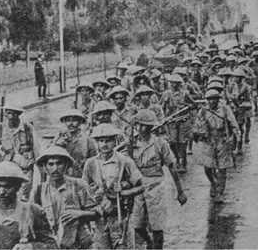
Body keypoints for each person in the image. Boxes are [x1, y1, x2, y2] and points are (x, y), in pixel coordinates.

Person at [130, 110, 187, 249]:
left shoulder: (160, 143)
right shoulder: (131, 144)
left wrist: (180, 191)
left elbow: (171, 167)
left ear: (151, 127)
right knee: (136, 224)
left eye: (145, 125)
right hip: (138, 186)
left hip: (156, 185)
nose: (142, 129)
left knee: (157, 224)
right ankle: (148, 241)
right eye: (139, 125)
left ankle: (157, 247)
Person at [0, 161, 58, 249]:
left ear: (18, 187)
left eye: (7, 186)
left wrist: (32, 247)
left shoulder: (34, 211)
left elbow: (53, 246)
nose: (2, 192)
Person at [82, 124, 144, 249]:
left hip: (120, 216)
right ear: (97, 143)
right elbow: (84, 189)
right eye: (101, 141)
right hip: (99, 218)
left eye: (108, 140)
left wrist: (124, 192)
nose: (104, 144)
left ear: (114, 141)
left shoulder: (124, 161)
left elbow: (141, 187)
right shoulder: (90, 163)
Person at [33, 146, 100, 249]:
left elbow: (97, 213)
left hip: (78, 244)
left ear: (66, 165)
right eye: (50, 164)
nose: (55, 169)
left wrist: (79, 214)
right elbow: (32, 219)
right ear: (45, 167)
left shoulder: (78, 185)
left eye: (59, 163)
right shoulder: (39, 190)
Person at [193, 90, 240, 203]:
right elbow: (197, 126)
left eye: (215, 98)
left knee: (222, 168)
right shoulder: (203, 111)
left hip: (222, 140)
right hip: (208, 140)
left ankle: (220, 193)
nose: (212, 101)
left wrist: (235, 140)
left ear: (218, 99)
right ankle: (213, 183)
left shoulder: (225, 109)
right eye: (210, 99)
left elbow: (234, 125)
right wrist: (197, 134)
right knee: (208, 166)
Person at [0, 104, 40, 201]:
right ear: (5, 114)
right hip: (6, 170)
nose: (11, 116)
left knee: (23, 197)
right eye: (8, 113)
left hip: (25, 170)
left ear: (19, 114)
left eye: (14, 114)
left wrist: (41, 168)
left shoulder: (27, 128)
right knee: (6, 195)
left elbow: (36, 149)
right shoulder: (0, 129)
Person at [161, 74, 195, 172]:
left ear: (179, 84)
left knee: (182, 143)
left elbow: (193, 105)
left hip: (182, 121)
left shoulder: (184, 93)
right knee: (172, 143)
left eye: (176, 83)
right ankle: (177, 157)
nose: (173, 85)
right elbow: (161, 106)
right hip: (171, 122)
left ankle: (183, 161)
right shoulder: (166, 94)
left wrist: (185, 105)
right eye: (172, 82)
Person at [51, 109, 98, 178]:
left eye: (74, 120)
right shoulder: (58, 139)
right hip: (63, 178)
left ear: (80, 122)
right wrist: (56, 146)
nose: (71, 124)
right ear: (64, 122)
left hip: (81, 177)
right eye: (68, 120)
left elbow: (95, 162)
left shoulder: (88, 140)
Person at [230, 68, 253, 150]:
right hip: (231, 110)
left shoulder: (246, 87)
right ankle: (233, 145)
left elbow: (249, 100)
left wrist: (244, 105)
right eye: (234, 77)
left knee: (240, 129)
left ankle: (239, 146)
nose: (235, 78)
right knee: (231, 129)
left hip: (240, 110)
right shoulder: (230, 86)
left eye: (237, 77)